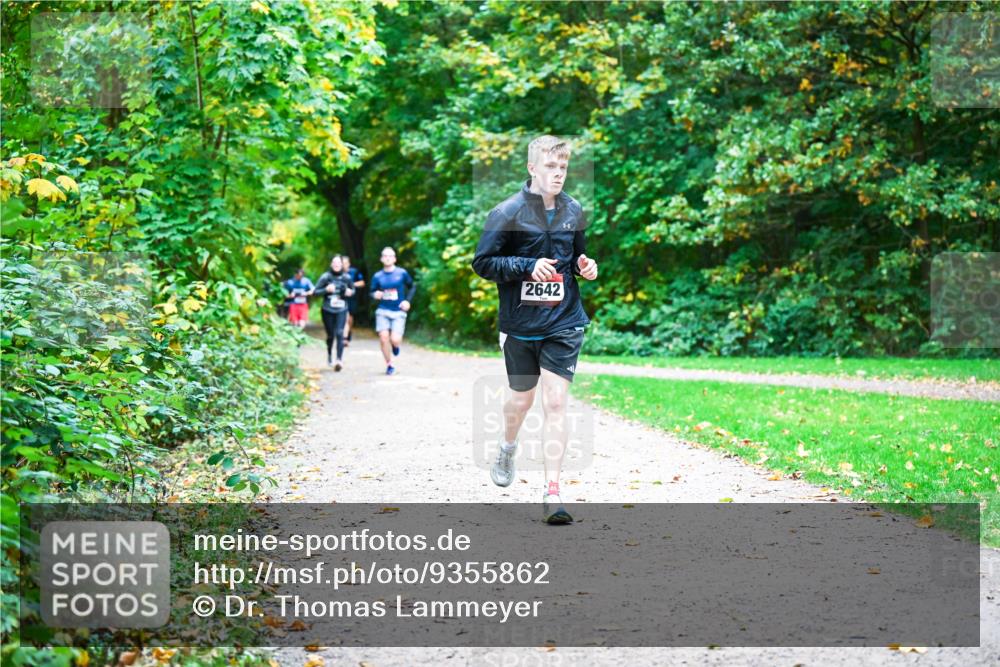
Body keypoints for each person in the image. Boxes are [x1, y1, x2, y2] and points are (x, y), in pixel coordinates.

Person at [471, 135, 599, 525]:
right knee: (521, 402)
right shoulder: (506, 212)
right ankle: (508, 445)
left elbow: (577, 256)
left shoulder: (573, 209)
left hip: (564, 320)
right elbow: (482, 263)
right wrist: (526, 267)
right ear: (532, 168)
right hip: (521, 324)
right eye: (550, 167)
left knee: (556, 402)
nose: (557, 174)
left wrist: (585, 266)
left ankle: (553, 492)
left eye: (562, 168)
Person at [370, 246, 415, 376]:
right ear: (381, 259)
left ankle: (395, 346)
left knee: (395, 339)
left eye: (390, 256)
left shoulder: (402, 273)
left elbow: (412, 287)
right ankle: (389, 364)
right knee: (384, 338)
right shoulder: (377, 276)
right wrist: (375, 295)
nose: (388, 258)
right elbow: (371, 292)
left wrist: (408, 301)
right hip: (383, 310)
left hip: (398, 311)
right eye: (385, 256)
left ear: (394, 259)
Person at [313, 255, 355, 370]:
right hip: (327, 309)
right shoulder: (326, 277)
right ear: (331, 264)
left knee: (340, 333)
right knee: (331, 335)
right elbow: (315, 292)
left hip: (341, 309)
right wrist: (326, 290)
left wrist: (348, 292)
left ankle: (339, 360)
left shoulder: (346, 277)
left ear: (342, 265)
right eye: (334, 263)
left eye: (339, 263)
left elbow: (353, 290)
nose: (336, 265)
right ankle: (330, 355)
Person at [340, 255, 365, 346]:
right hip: (341, 299)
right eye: (342, 263)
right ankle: (344, 338)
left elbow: (362, 283)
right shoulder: (338, 273)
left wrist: (351, 285)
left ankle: (348, 332)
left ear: (349, 264)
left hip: (352, 298)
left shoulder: (355, 272)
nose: (344, 265)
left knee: (350, 319)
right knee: (345, 318)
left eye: (345, 263)